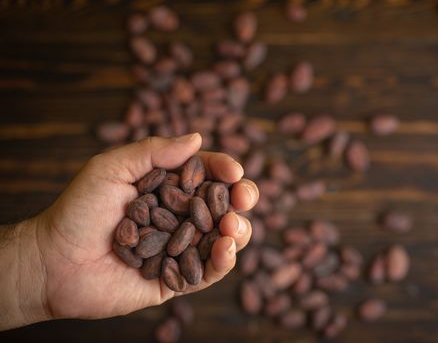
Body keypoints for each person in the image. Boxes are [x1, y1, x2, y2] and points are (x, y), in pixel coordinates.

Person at [0, 134, 258, 331]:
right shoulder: (164, 217)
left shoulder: (178, 222)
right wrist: (38, 259)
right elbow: (172, 222)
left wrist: (36, 263)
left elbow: (177, 226)